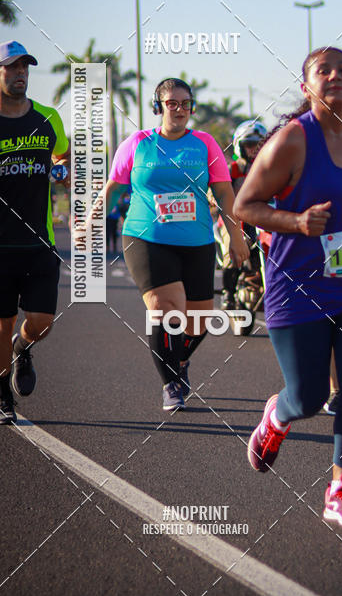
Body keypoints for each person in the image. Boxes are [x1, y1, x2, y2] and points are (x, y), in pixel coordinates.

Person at [234, 47, 342, 527]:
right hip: (299, 286)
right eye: (323, 71)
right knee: (309, 397)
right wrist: (296, 221)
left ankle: (340, 488)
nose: (335, 76)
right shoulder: (292, 140)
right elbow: (245, 206)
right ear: (308, 86)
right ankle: (278, 415)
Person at [104, 77, 248, 411]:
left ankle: (178, 361)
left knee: (199, 321)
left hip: (196, 239)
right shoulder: (137, 144)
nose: (179, 109)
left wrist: (236, 234)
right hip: (146, 236)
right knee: (167, 309)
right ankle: (171, 382)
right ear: (159, 107)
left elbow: (225, 192)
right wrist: (93, 218)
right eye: (172, 103)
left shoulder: (205, 144)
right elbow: (113, 187)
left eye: (185, 103)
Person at [0, 41, 70, 424]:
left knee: (41, 321)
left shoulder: (47, 119)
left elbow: (63, 154)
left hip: (39, 240)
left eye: (25, 67)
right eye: (11, 67)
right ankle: (2, 395)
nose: (20, 73)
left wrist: (62, 170)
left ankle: (23, 347)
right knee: (0, 321)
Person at [221, 120, 267, 310]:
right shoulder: (231, 169)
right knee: (233, 250)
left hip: (264, 220)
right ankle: (228, 293)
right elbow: (216, 191)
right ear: (240, 146)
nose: (254, 150)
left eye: (258, 145)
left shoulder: (269, 168)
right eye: (249, 145)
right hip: (234, 221)